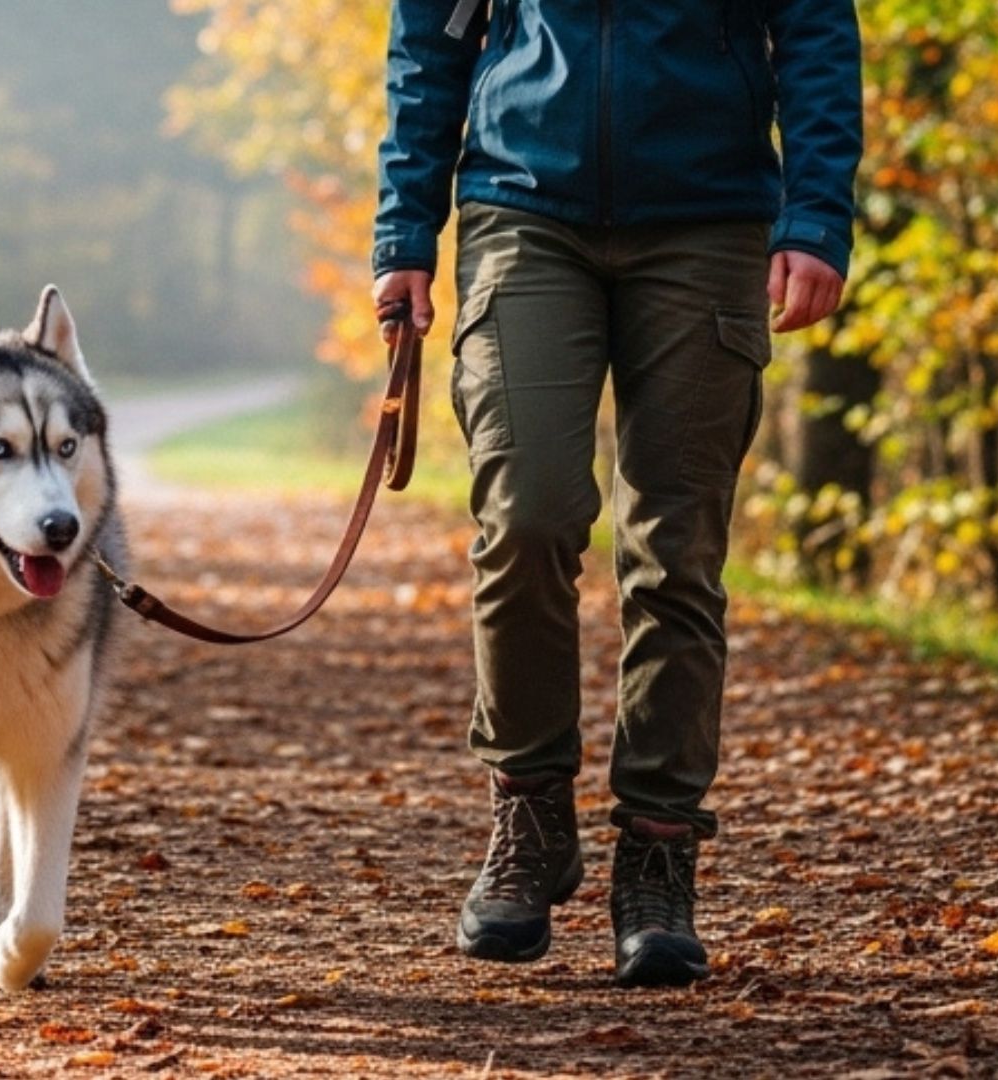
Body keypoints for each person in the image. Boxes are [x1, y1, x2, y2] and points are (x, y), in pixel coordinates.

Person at [371, 0, 862, 987]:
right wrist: (405, 233)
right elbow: (430, 39)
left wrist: (815, 218)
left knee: (676, 553)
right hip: (522, 208)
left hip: (709, 221)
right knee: (527, 516)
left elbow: (815, 31)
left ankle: (657, 853)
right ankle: (530, 814)